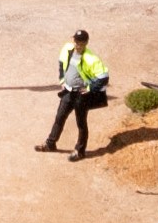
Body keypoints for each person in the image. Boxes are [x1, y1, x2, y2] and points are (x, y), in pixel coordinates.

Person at [40, 29, 109, 159]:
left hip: (81, 95)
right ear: (74, 41)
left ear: (86, 43)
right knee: (59, 118)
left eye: (81, 43)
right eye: (77, 42)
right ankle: (50, 143)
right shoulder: (67, 49)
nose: (78, 45)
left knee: (81, 123)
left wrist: (91, 88)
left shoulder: (91, 59)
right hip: (68, 91)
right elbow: (61, 63)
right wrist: (62, 80)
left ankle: (80, 151)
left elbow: (104, 77)